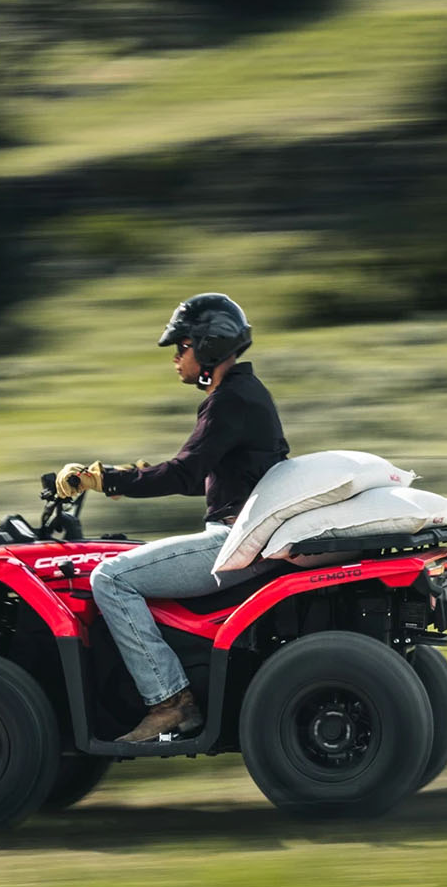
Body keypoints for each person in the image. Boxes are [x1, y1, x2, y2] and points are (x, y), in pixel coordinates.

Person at [56, 293, 289, 743]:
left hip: (235, 542)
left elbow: (184, 471)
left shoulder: (230, 400)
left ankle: (171, 701)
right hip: (250, 536)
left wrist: (104, 481)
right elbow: (193, 476)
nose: (176, 359)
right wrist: (123, 477)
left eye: (181, 347)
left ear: (207, 346)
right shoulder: (241, 394)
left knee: (110, 578)